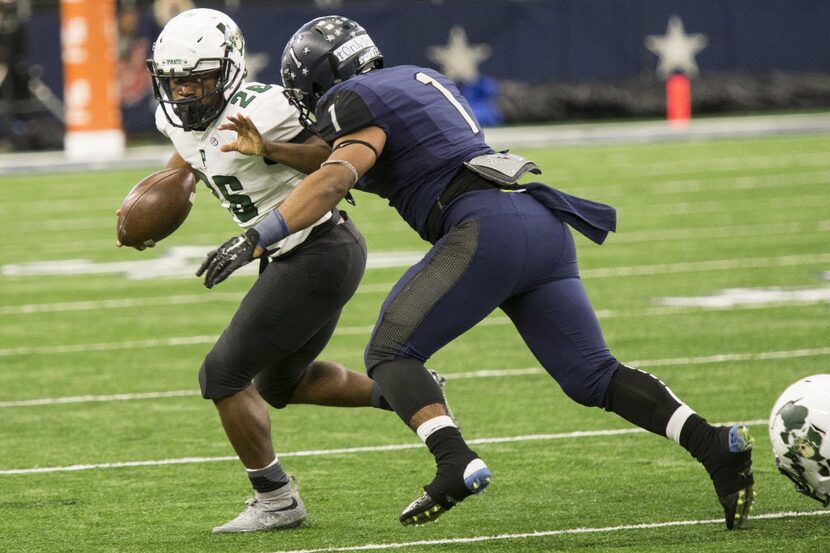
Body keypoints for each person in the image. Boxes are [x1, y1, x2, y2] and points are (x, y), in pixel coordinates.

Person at [205, 15, 755, 530]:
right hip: (539, 223)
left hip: (481, 228)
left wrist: (258, 235)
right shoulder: (417, 80)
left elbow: (336, 175)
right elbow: (343, 153)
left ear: (321, 79)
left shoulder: (350, 99)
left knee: (391, 354)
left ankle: (455, 461)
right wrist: (274, 151)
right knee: (593, 376)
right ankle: (714, 445)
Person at [130, 8, 435, 534]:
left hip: (318, 249)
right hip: (293, 254)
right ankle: (413, 393)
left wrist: (268, 148)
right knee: (281, 383)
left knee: (221, 374)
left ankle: (276, 500)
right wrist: (159, 197)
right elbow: (191, 155)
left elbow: (333, 156)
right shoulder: (173, 117)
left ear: (227, 70)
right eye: (174, 82)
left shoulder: (268, 107)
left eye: (197, 80)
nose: (183, 94)